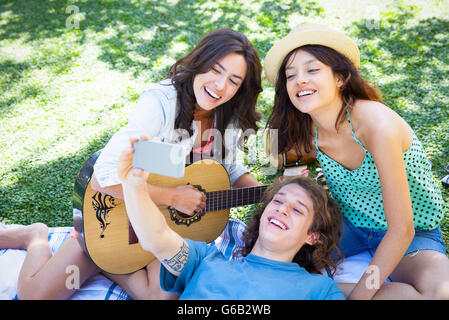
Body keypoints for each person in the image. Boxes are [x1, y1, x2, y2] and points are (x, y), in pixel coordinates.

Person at [0, 28, 263, 300]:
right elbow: (104, 177)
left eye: (233, 81)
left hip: (161, 232)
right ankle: (35, 236)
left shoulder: (226, 117)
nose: (220, 86)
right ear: (200, 61)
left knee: (161, 297)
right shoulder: (160, 103)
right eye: (215, 69)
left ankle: (112, 264)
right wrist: (173, 197)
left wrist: (268, 195)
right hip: (115, 218)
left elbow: (228, 169)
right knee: (34, 297)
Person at [264, 23, 449, 300]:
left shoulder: (376, 126)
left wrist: (361, 294)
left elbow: (402, 229)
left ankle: (329, 290)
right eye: (291, 76)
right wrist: (294, 174)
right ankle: (324, 289)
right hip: (348, 226)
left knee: (440, 292)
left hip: (412, 234)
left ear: (340, 77)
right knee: (274, 262)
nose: (300, 80)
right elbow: (275, 153)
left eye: (312, 70)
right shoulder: (307, 129)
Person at [117, 135, 345, 299]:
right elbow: (156, 238)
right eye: (277, 200)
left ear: (313, 236)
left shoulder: (319, 290)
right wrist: (134, 186)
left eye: (297, 210)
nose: (282, 209)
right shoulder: (205, 260)